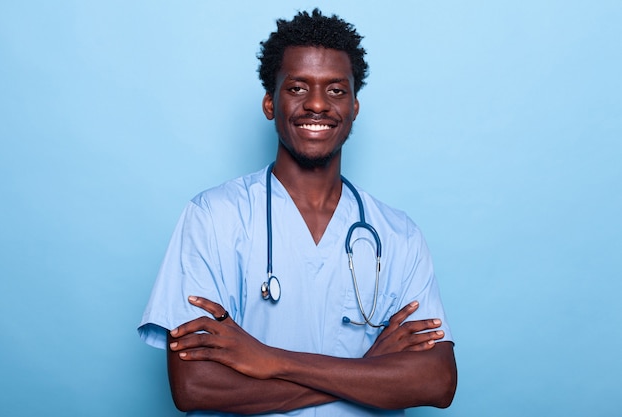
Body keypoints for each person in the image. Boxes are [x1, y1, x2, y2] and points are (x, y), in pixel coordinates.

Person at [138, 8, 457, 416]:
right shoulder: (212, 218)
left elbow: (437, 382)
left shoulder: (398, 235)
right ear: (270, 103)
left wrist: (273, 361)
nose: (318, 104)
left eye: (337, 90)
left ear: (355, 106)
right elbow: (195, 387)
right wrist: (368, 371)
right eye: (298, 88)